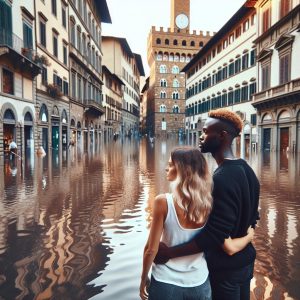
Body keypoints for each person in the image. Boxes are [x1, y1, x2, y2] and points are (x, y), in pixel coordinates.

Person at [154, 109, 260, 300]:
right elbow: (253, 218)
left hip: (225, 270)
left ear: (222, 135)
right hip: (245, 264)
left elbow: (214, 235)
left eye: (205, 131)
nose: (201, 137)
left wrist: (170, 252)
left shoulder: (220, 179)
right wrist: (246, 238)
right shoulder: (248, 171)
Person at [140, 146, 255, 300]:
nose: (166, 168)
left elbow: (150, 250)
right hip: (199, 282)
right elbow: (227, 244)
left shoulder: (163, 202)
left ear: (182, 170)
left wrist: (143, 279)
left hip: (165, 281)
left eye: (171, 164)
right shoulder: (209, 204)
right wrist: (249, 236)